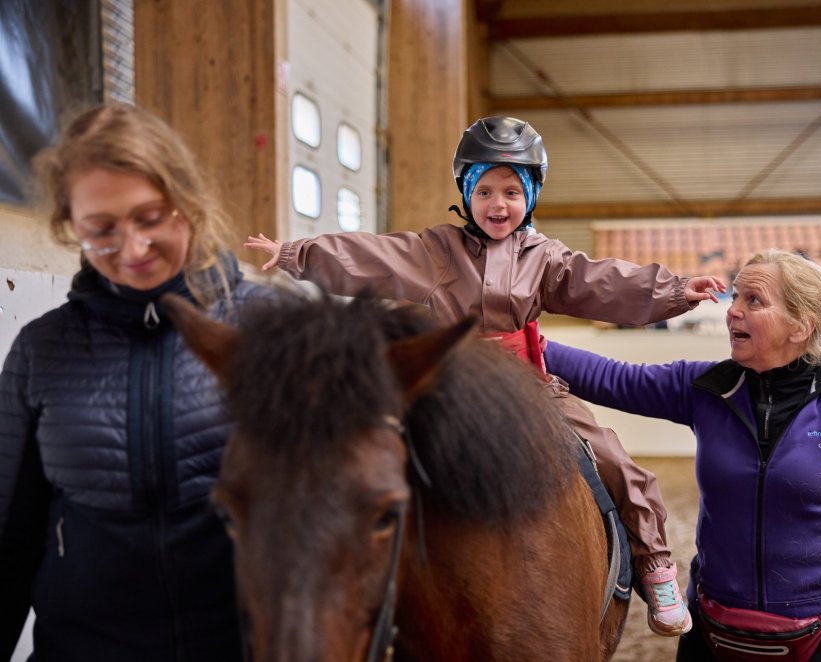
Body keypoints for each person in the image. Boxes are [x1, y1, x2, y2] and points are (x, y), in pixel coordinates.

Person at [244, 116, 726, 636]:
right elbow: (372, 255)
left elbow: (605, 282)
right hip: (450, 388)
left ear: (532, 196)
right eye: (487, 190)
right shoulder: (435, 251)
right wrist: (296, 254)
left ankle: (654, 562)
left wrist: (674, 290)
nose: (499, 204)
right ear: (467, 193)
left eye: (513, 191)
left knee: (609, 454)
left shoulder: (547, 259)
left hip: (528, 388)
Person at [542, 248, 821, 661]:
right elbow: (611, 377)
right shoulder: (706, 389)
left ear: (802, 325)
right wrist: (525, 342)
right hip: (712, 628)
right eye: (735, 296)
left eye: (753, 300)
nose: (732, 310)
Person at [0, 103, 271, 661]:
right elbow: (9, 538)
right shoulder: (42, 350)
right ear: (71, 226)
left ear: (187, 202)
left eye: (150, 218)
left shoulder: (271, 331)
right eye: (101, 231)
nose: (131, 250)